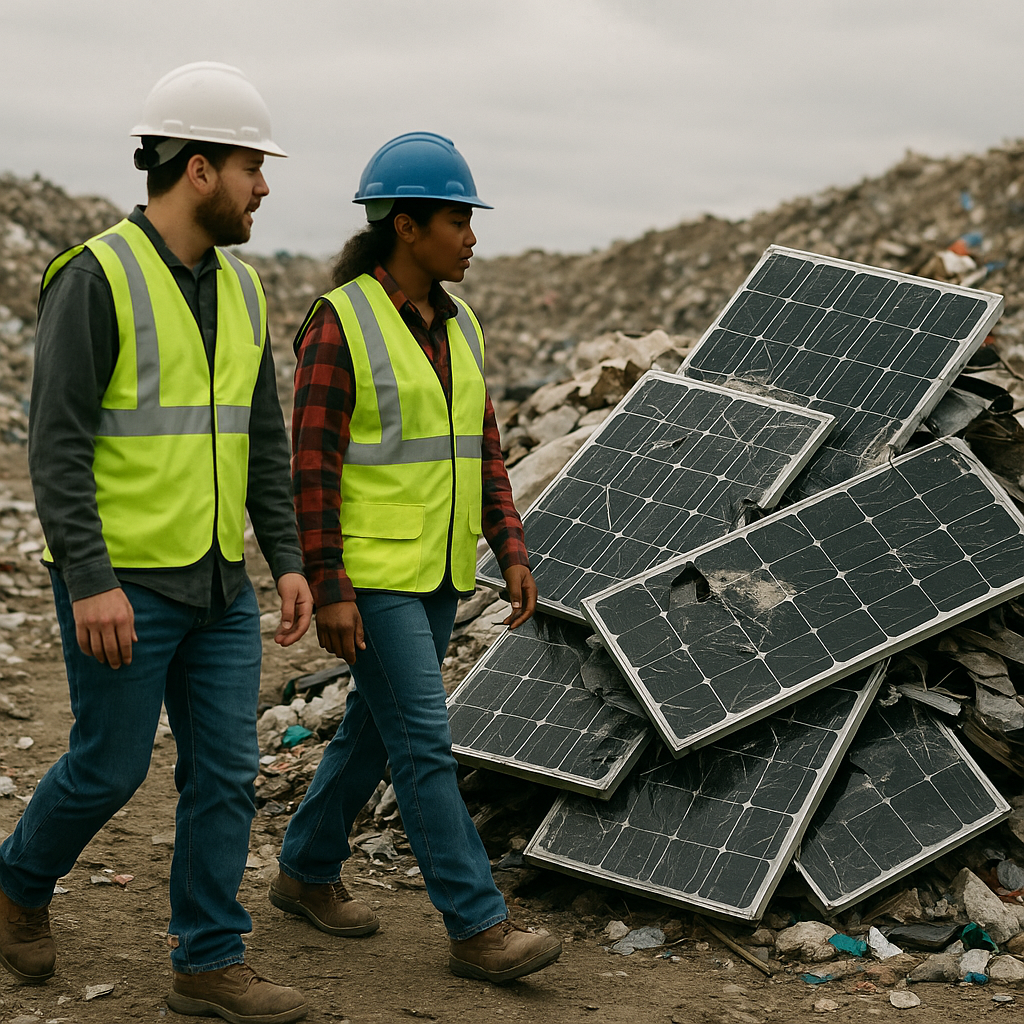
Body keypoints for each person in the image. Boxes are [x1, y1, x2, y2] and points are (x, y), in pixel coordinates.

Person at [0, 62, 313, 1024]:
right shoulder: (93, 278)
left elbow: (264, 439)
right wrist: (88, 580)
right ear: (198, 169)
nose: (264, 186)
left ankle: (208, 961)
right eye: (252, 166)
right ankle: (16, 884)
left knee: (226, 770)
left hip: (220, 585)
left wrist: (289, 559)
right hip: (125, 583)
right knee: (110, 765)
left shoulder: (247, 290)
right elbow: (54, 446)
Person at [272, 132, 562, 984]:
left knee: (374, 729)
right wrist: (330, 585)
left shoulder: (460, 323)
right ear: (406, 226)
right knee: (425, 743)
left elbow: (484, 449)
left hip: (436, 575)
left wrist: (508, 545)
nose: (472, 236)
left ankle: (304, 869)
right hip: (372, 581)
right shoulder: (342, 322)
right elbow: (312, 466)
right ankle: (477, 926)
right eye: (458, 219)